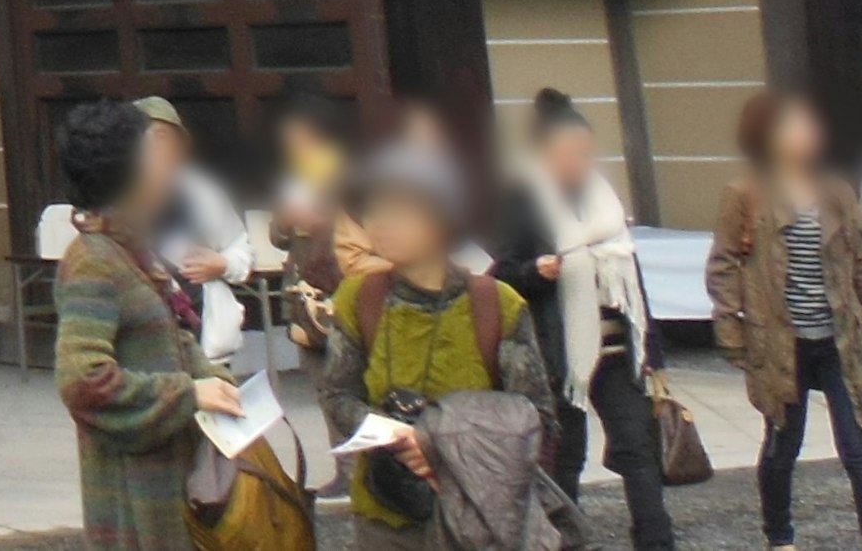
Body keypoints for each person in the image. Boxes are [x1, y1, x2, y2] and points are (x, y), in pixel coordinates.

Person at [317, 141, 551, 532]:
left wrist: (439, 446)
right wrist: (396, 437)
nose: (380, 222)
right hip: (385, 511)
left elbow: (535, 413)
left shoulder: (496, 304)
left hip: (479, 512)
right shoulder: (360, 298)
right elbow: (337, 394)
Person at [715, 89, 862, 551]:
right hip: (782, 345)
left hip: (841, 342)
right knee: (783, 447)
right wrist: (732, 332)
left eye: (810, 125)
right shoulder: (745, 194)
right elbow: (723, 264)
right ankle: (779, 535)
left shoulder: (836, 191)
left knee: (861, 451)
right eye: (796, 125)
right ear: (771, 136)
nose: (808, 134)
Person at [49, 98, 244, 551]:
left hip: (172, 478)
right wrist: (189, 393)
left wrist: (213, 378)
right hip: (135, 497)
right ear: (129, 175)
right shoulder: (93, 264)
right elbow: (82, 381)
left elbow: (175, 333)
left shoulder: (129, 247)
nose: (167, 168)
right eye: (153, 155)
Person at [486, 87, 672, 551]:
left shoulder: (603, 201)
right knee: (565, 460)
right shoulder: (524, 200)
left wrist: (655, 355)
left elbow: (632, 277)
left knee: (640, 452)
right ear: (545, 154)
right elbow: (500, 275)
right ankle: (563, 543)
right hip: (559, 356)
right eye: (570, 153)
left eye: (586, 153)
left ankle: (655, 542)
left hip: (617, 350)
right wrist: (538, 271)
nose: (580, 162)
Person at [131, 98, 255, 349]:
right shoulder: (114, 193)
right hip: (141, 339)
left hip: (204, 332)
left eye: (162, 136)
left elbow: (242, 249)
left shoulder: (201, 190)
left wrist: (222, 264)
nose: (154, 144)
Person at [267, 96, 375, 350]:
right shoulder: (294, 178)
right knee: (309, 350)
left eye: (299, 137)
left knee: (346, 348)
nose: (293, 146)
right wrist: (285, 222)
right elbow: (276, 236)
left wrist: (321, 223)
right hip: (302, 280)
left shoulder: (350, 174)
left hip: (340, 275)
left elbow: (363, 224)